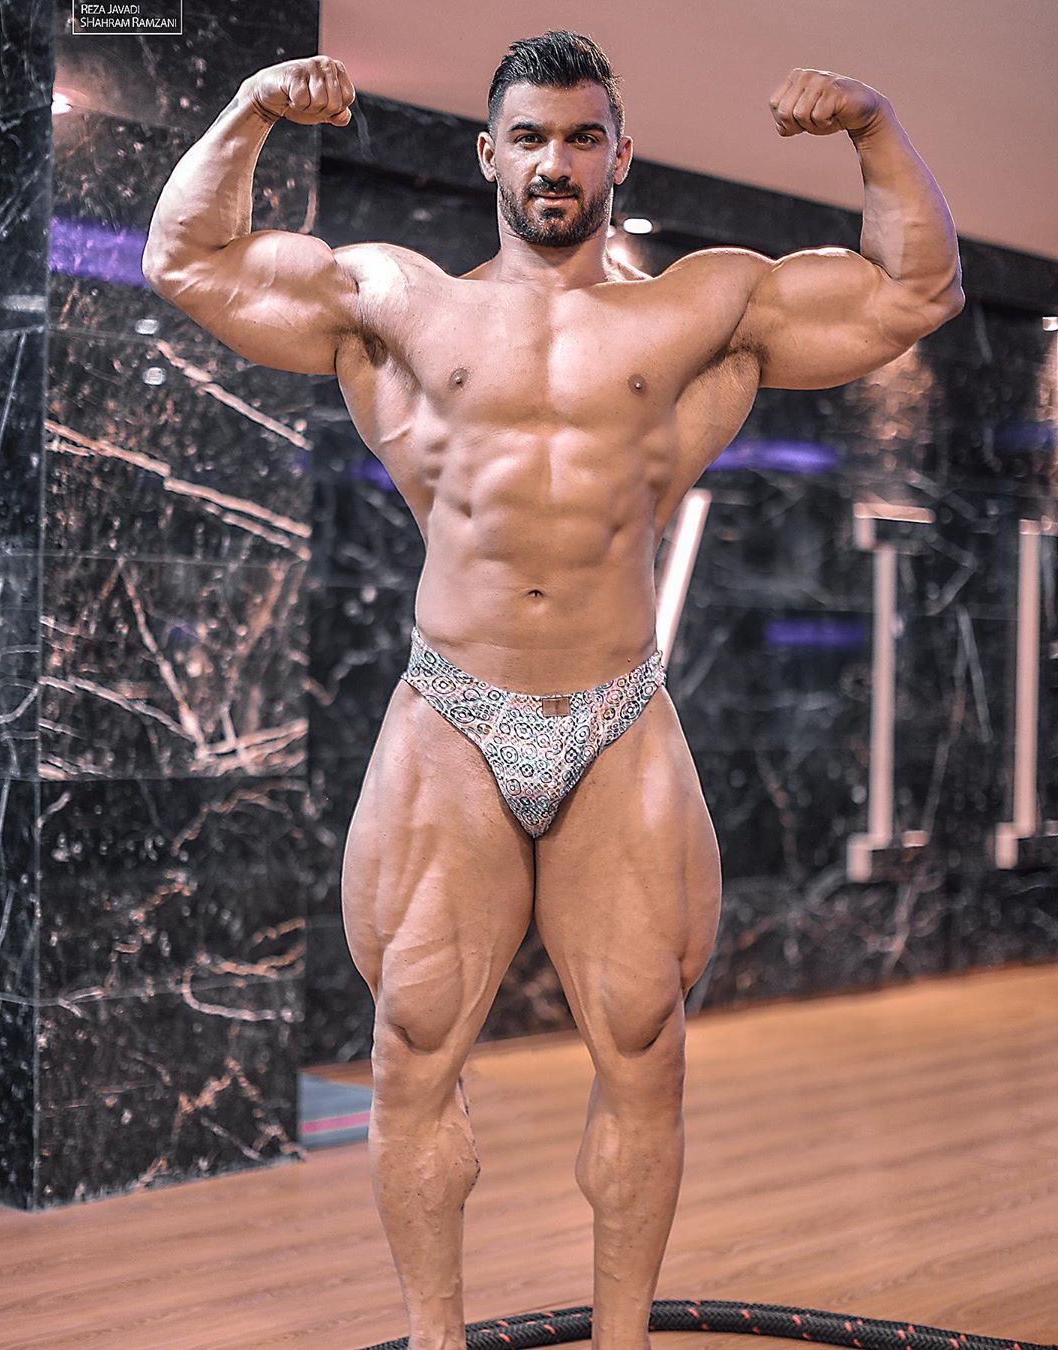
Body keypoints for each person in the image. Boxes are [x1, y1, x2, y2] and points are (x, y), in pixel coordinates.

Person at [143, 30, 964, 1350]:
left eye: (583, 137)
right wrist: (246, 110)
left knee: (644, 1041)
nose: (556, 162)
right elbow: (186, 261)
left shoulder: (700, 308)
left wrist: (874, 123)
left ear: (620, 154)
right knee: (415, 1039)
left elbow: (914, 292)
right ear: (489, 154)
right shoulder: (398, 299)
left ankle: (622, 1338)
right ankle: (436, 1336)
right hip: (452, 709)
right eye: (530, 136)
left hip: (615, 712)